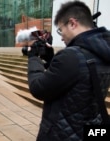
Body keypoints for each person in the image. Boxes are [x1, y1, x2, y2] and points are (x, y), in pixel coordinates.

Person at [26, 1, 110, 141]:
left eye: (60, 29)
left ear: (72, 23)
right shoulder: (103, 52)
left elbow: (38, 88)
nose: (60, 36)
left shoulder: (71, 56)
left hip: (61, 134)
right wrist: (51, 58)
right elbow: (76, 79)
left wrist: (33, 57)